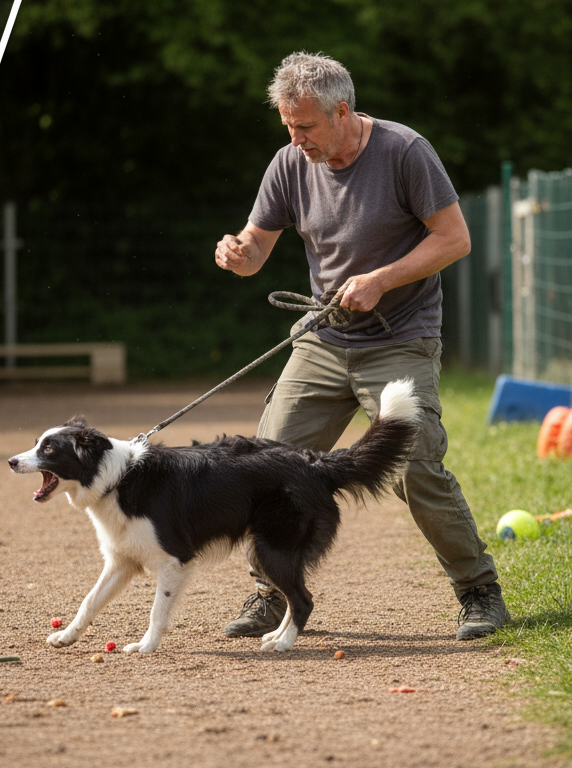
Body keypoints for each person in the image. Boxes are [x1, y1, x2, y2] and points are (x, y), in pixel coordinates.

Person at [213, 51, 508, 642]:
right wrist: (238, 254)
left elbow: (454, 239)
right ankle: (272, 593)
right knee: (265, 461)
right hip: (323, 340)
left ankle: (479, 591)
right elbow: (256, 245)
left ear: (341, 111)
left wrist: (382, 279)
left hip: (400, 338)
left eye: (305, 127)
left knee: (414, 462)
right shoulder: (289, 164)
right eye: (288, 128)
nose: (296, 140)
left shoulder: (405, 152)